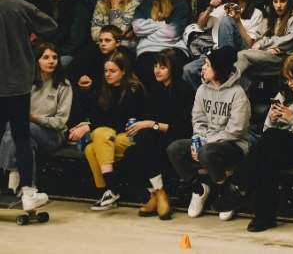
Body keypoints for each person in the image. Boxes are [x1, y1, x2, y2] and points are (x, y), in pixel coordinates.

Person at [239, 54, 293, 232]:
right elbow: (266, 131)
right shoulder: (283, 94)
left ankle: (241, 185)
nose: (290, 83)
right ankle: (264, 216)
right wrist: (271, 119)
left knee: (270, 144)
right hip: (278, 146)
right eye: (287, 79)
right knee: (268, 160)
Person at [167, 47, 251, 221]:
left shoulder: (238, 94)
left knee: (206, 152)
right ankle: (199, 189)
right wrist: (197, 141)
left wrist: (205, 143)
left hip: (234, 145)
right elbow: (198, 120)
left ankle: (226, 194)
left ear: (218, 69)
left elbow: (236, 130)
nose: (203, 68)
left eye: (208, 64)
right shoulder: (201, 90)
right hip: (207, 142)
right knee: (175, 148)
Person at [108, 49, 193, 220]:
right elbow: (148, 116)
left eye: (163, 67)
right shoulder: (156, 89)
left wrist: (150, 124)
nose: (157, 70)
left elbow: (182, 127)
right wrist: (141, 125)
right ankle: (157, 193)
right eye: (155, 66)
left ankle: (158, 195)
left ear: (173, 68)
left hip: (178, 137)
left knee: (145, 143)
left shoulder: (184, 90)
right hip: (157, 136)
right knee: (133, 152)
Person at [0, 0, 56, 210]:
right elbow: (50, 25)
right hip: (18, 83)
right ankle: (28, 193)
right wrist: (29, 34)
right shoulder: (19, 6)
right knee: (21, 137)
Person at [67, 50, 145, 210]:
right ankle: (107, 192)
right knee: (90, 148)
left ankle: (111, 189)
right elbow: (98, 116)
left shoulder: (134, 89)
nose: (107, 74)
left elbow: (120, 121)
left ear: (123, 71)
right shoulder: (104, 89)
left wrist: (89, 127)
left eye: (112, 71)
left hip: (132, 135)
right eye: (105, 71)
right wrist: (84, 124)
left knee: (100, 134)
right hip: (112, 136)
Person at [0, 42, 72, 193]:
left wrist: (35, 118)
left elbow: (60, 122)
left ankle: (13, 173)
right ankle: (29, 188)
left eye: (54, 57)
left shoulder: (64, 85)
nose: (51, 61)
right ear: (36, 60)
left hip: (53, 135)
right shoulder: (26, 83)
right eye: (46, 57)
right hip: (27, 132)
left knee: (19, 128)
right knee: (26, 141)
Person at [182, 0, 264, 89]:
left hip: (239, 52)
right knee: (188, 70)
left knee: (226, 20)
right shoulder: (226, 7)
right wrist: (210, 8)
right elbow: (200, 24)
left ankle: (224, 65)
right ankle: (210, 94)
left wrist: (237, 21)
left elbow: (249, 44)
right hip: (216, 52)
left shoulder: (256, 13)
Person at [231, 0, 293, 82]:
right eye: (275, 1)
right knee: (243, 62)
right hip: (267, 54)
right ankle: (236, 87)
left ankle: (231, 85)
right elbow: (258, 40)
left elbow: (289, 40)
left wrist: (269, 46)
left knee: (242, 55)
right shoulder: (271, 18)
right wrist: (263, 44)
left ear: (289, 2)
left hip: (283, 58)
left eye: (282, 1)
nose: (278, 5)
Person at [132, 0, 190, 88]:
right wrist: (162, 25)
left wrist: (148, 31)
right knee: (146, 67)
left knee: (173, 66)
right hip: (148, 49)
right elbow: (137, 28)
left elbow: (172, 33)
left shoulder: (180, 5)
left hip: (173, 48)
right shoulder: (146, 4)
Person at [38, 0, 90, 67]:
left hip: (70, 52)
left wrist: (56, 52)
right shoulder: (46, 4)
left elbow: (76, 39)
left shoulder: (76, 5)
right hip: (52, 50)